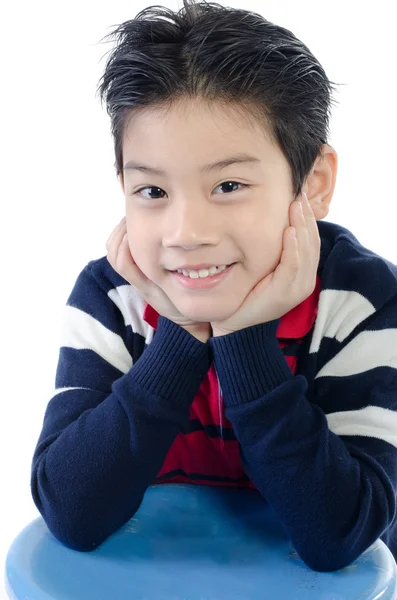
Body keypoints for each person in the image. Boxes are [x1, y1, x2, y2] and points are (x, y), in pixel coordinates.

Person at [30, 0, 397, 573]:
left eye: (228, 184)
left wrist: (244, 336)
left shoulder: (359, 301)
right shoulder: (113, 296)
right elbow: (71, 513)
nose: (186, 233)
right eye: (153, 192)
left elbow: (339, 536)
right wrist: (178, 333)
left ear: (315, 183)